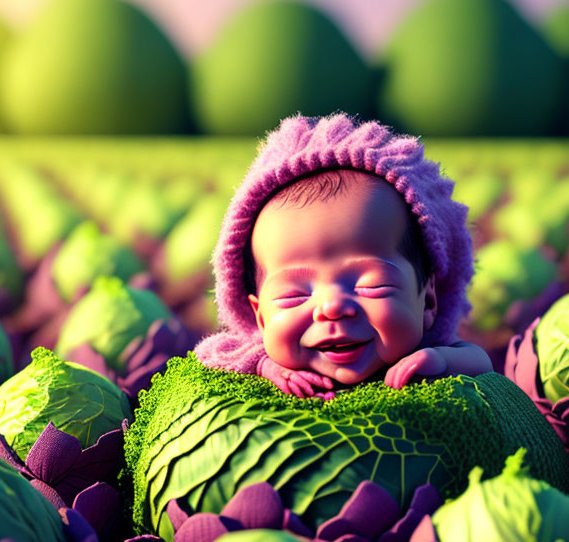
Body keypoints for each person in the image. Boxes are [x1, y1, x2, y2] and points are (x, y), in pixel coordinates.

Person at [195, 113, 492, 397]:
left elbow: (479, 362)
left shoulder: (425, 349)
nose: (332, 306)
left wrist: (439, 362)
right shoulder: (258, 357)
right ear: (261, 320)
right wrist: (263, 365)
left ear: (427, 301)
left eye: (372, 286)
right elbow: (211, 355)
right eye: (293, 295)